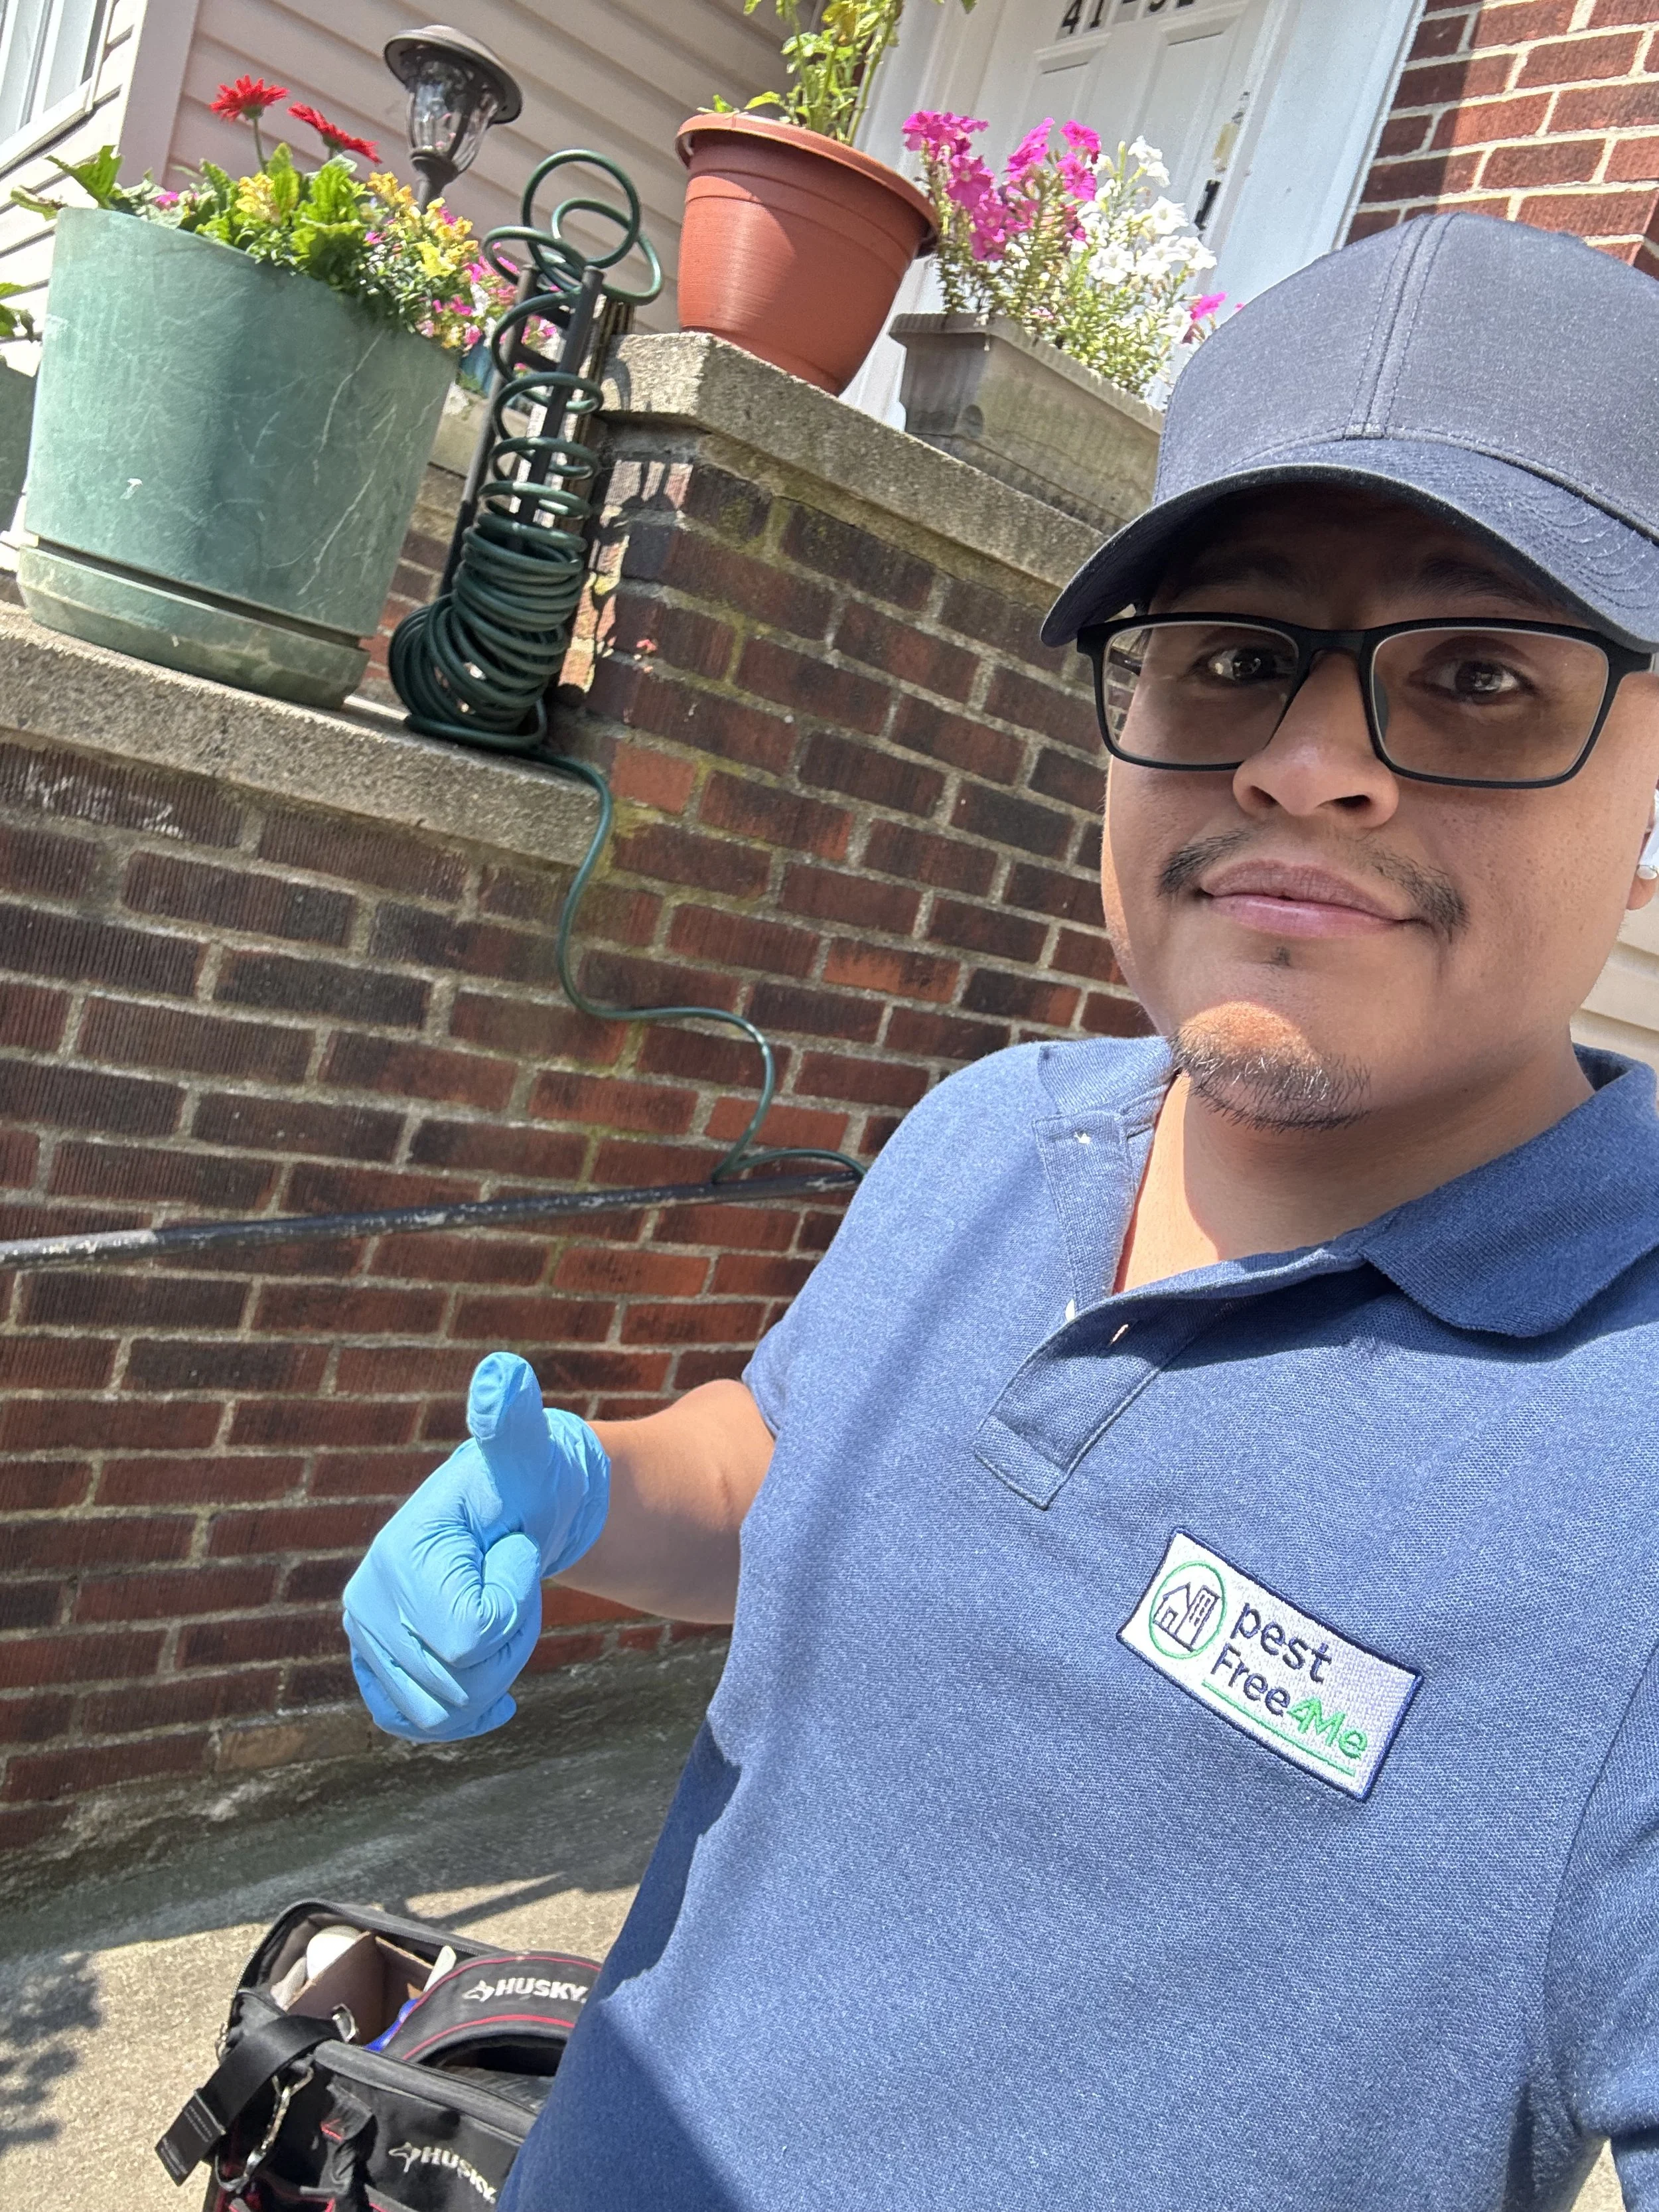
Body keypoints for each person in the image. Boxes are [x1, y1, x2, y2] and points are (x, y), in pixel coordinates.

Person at [342, 211, 1659, 2209]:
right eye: (1228, 656)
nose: (1308, 766)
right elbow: (789, 1457)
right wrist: (592, 1492)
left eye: (1477, 676)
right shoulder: (990, 1130)